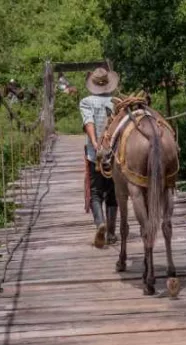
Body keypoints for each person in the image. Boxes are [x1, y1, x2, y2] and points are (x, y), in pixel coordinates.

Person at [79, 67, 119, 248]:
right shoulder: (117, 102)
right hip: (116, 154)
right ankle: (111, 232)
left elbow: (89, 122)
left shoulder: (86, 102)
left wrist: (95, 144)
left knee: (96, 193)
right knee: (113, 192)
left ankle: (100, 224)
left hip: (96, 155)